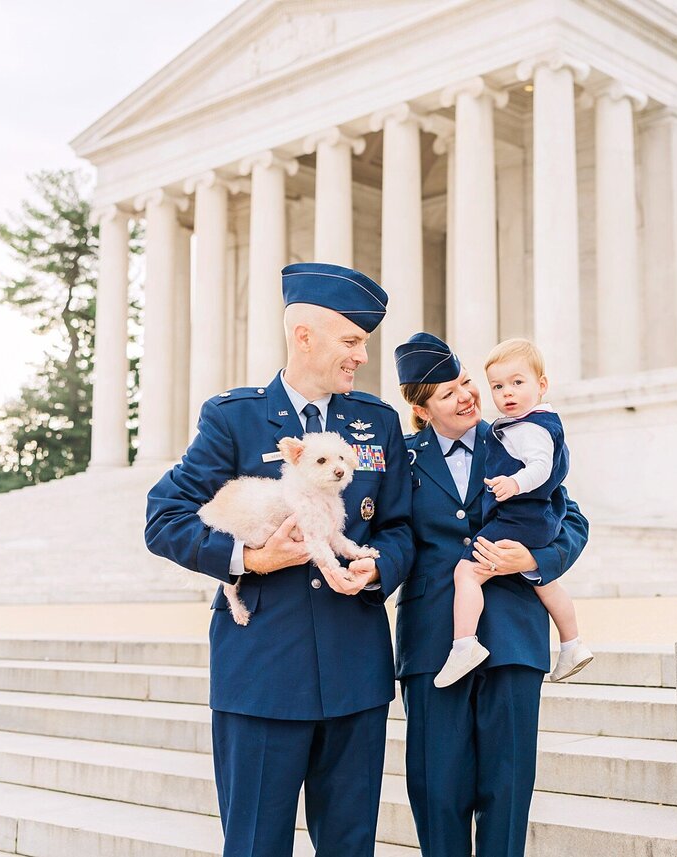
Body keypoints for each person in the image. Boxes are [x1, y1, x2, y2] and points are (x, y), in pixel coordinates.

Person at [145, 263, 412, 857]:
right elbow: (164, 519)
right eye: (351, 342)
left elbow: (398, 527)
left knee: (350, 847)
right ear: (304, 336)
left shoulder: (379, 424)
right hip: (262, 674)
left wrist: (379, 566)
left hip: (355, 674)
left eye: (362, 345)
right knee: (256, 847)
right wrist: (249, 559)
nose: (361, 358)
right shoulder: (233, 417)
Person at [393, 332, 590, 857]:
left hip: (514, 635)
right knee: (437, 789)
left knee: (507, 788)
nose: (467, 397)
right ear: (422, 407)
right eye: (448, 393)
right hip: (435, 641)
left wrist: (534, 560)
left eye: (465, 384)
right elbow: (390, 535)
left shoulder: (517, 438)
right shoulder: (403, 460)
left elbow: (570, 519)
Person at [434, 338, 592, 688]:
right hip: (530, 522)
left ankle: (464, 645)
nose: (507, 393)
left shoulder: (525, 430)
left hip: (519, 527)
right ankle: (572, 643)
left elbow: (549, 482)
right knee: (546, 585)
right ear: (422, 410)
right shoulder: (518, 427)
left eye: (517, 383)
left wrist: (535, 558)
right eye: (498, 386)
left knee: (468, 573)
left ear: (542, 385)